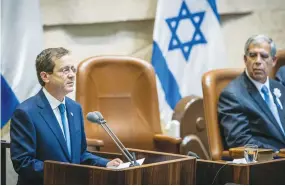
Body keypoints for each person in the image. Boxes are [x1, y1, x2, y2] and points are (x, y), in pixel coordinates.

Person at [10, 47, 123, 184]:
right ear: (45, 76)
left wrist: (106, 164)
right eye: (65, 70)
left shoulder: (75, 108)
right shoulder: (26, 112)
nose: (71, 75)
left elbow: (80, 154)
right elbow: (23, 163)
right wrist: (66, 173)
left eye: (73, 69)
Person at [218, 35, 285, 151]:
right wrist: (279, 153)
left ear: (273, 61)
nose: (258, 61)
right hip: (268, 163)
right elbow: (240, 142)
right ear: (245, 59)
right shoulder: (232, 95)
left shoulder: (278, 87)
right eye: (253, 55)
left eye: (264, 56)